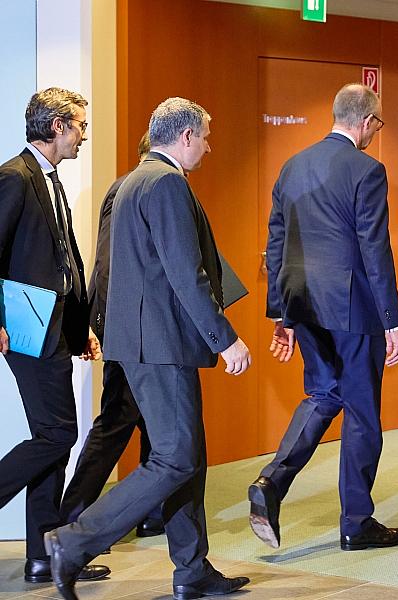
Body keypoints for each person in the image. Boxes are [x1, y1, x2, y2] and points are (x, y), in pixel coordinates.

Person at [42, 97, 252, 600]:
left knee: (186, 456)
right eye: (205, 137)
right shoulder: (166, 183)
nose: (208, 147)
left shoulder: (133, 181)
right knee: (176, 457)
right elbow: (185, 273)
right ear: (185, 136)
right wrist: (225, 338)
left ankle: (192, 570)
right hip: (161, 345)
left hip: (144, 343)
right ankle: (73, 542)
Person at [249, 83, 398, 552]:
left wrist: (280, 313)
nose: (376, 133)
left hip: (302, 303)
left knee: (323, 394)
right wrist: (392, 319)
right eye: (377, 125)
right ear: (366, 121)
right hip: (353, 307)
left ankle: (271, 481)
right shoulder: (368, 170)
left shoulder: (292, 166)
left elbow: (276, 242)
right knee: (361, 410)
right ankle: (356, 522)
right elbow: (375, 248)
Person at [0, 87, 109, 584]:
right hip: (27, 329)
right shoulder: (14, 177)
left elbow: (62, 261)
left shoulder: (49, 178)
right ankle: (46, 551)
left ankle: (43, 556)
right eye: (80, 125)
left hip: (57, 327)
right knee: (59, 434)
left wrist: (79, 327)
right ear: (57, 126)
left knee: (55, 439)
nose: (84, 135)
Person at [59, 132, 164, 538]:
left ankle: (154, 512)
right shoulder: (134, 189)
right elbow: (107, 262)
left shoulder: (132, 188)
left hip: (137, 325)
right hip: (128, 326)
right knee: (119, 418)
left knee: (154, 421)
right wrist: (102, 323)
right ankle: (73, 520)